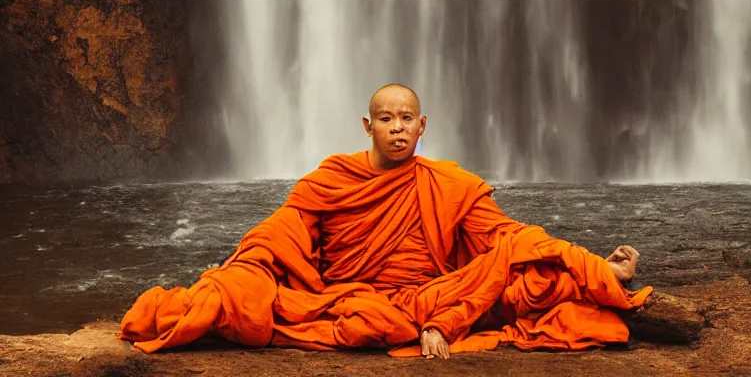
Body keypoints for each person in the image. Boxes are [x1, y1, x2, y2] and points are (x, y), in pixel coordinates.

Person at [120, 84, 651, 359]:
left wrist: (592, 262)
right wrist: (244, 266)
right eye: (385, 119)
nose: (396, 129)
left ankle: (601, 280)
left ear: (423, 127)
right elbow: (278, 234)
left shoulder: (450, 183)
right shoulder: (330, 179)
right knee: (245, 290)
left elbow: (509, 237)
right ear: (366, 125)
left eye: (406, 120)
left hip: (433, 293)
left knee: (533, 272)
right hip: (350, 293)